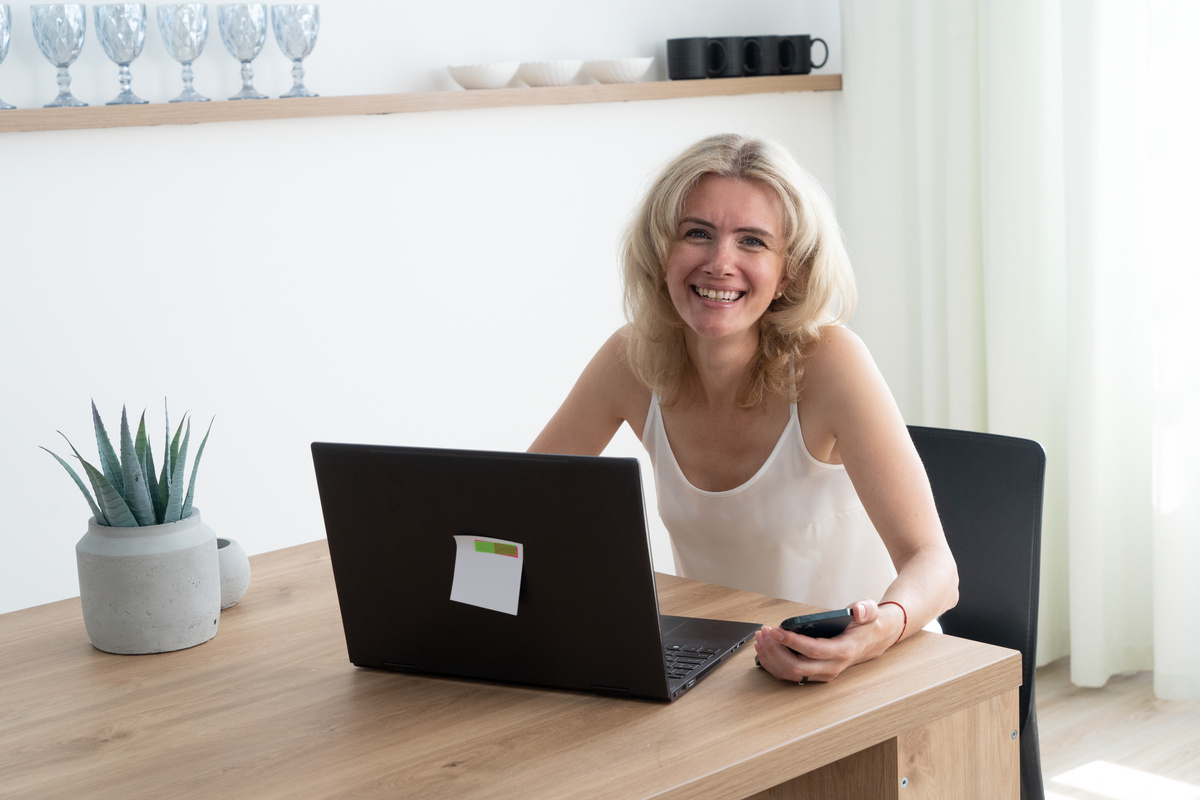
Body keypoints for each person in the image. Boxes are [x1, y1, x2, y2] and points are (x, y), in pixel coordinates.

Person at [529, 133, 958, 684]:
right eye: (697, 234)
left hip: (870, 671)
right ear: (662, 251)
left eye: (752, 241)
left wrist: (874, 634)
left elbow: (937, 567)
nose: (719, 262)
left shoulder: (831, 362)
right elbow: (520, 511)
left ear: (790, 271)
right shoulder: (631, 358)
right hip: (726, 675)